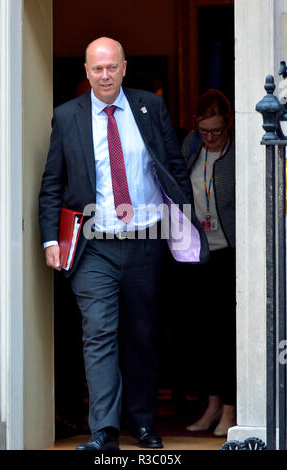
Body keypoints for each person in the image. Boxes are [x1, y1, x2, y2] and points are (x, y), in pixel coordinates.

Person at [39, 37, 209, 451]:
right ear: (86, 72)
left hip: (144, 243)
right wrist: (49, 239)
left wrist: (180, 219)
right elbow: (52, 185)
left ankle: (144, 424)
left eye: (112, 67)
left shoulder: (150, 107)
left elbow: (173, 167)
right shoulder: (67, 117)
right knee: (98, 334)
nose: (105, 75)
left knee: (142, 335)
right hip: (93, 245)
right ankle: (105, 432)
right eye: (97, 69)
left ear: (124, 68)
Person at [181, 89, 236, 437]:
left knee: (227, 332)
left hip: (230, 254)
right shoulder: (190, 148)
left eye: (217, 130)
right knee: (204, 333)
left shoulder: (236, 153)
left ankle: (230, 410)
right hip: (198, 253)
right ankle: (212, 404)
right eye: (205, 131)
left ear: (228, 125)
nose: (211, 137)